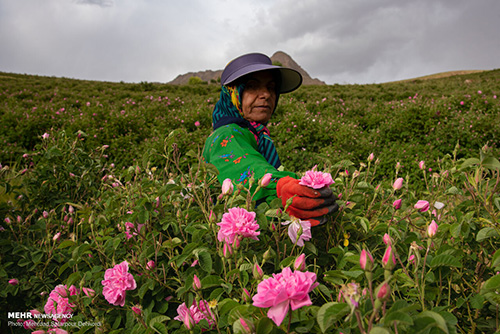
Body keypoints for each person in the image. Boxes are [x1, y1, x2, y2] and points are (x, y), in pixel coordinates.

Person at [202, 53, 338, 226]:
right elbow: (244, 163)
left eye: (271, 87)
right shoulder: (227, 134)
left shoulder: (256, 134)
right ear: (233, 93)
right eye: (252, 86)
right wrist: (281, 186)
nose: (266, 94)